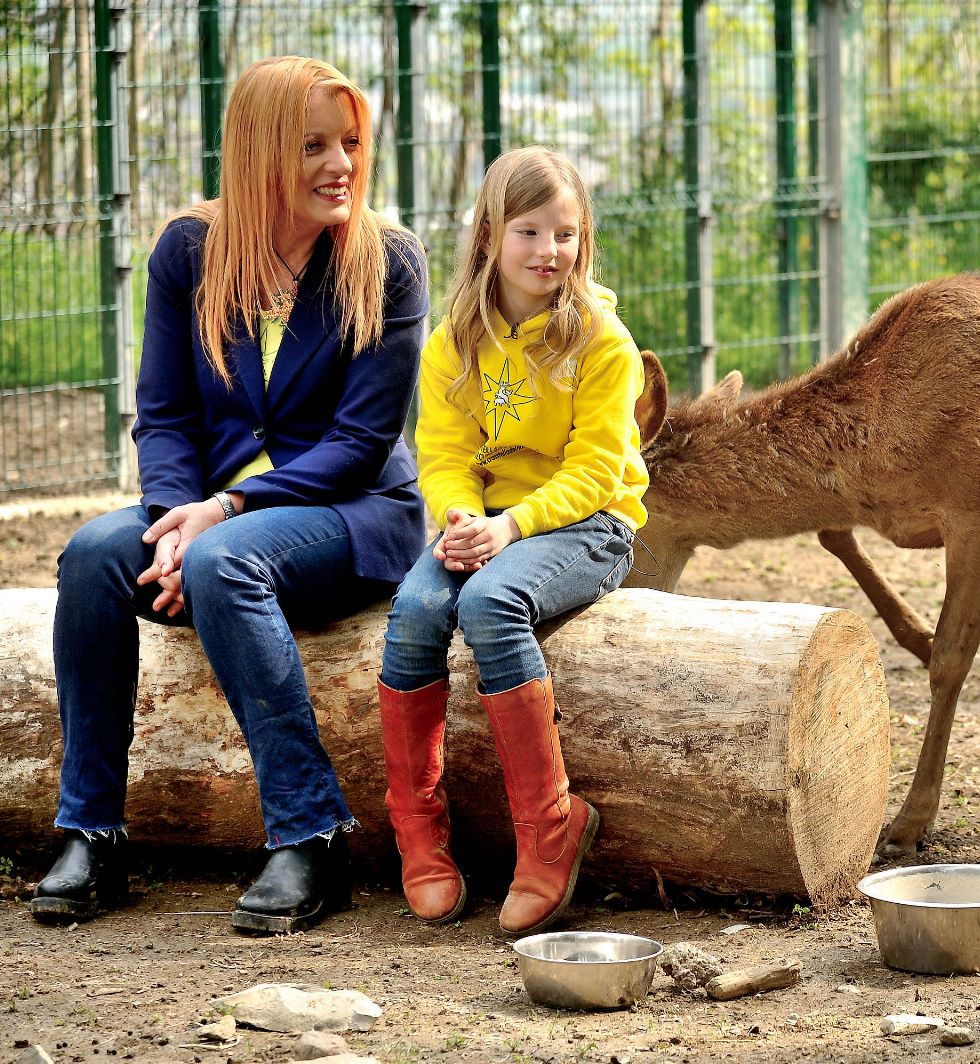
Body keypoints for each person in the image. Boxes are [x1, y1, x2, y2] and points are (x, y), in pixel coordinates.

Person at [30, 56, 428, 935]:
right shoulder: (188, 252)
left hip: (352, 517)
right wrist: (176, 519)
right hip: (207, 518)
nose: (342, 166)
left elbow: (361, 445)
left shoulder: (388, 261)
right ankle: (92, 831)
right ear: (257, 153)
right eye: (314, 146)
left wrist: (224, 514)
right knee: (94, 553)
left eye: (351, 144)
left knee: (223, 557)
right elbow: (164, 413)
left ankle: (310, 836)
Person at [378, 146, 646, 935]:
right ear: (490, 235)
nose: (548, 252)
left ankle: (549, 827)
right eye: (529, 232)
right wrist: (462, 518)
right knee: (417, 609)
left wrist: (507, 530)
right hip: (488, 524)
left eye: (565, 234)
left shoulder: (601, 342)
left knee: (493, 603)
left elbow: (598, 471)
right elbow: (445, 453)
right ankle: (418, 836)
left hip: (588, 527)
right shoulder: (452, 341)